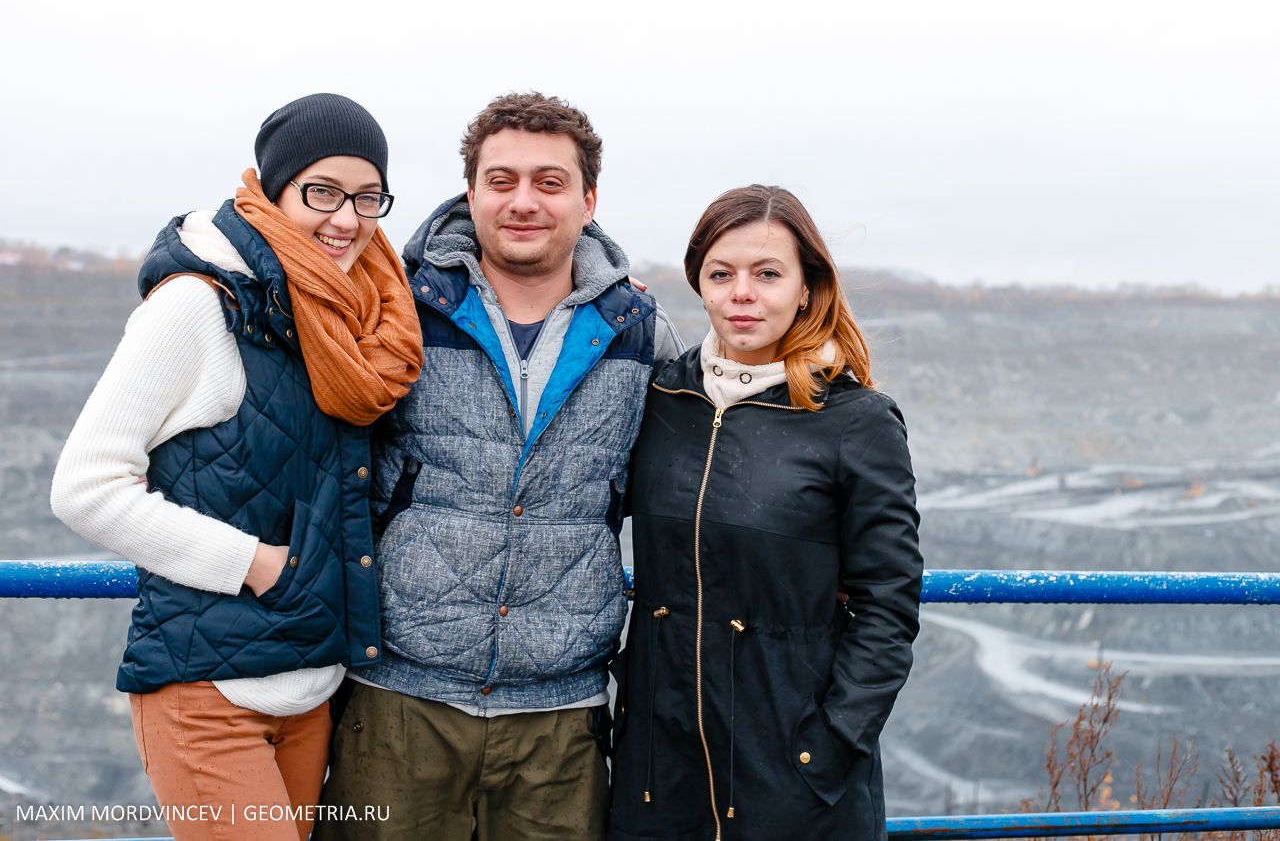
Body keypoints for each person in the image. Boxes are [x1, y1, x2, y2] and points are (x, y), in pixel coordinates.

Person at [50, 93, 423, 841]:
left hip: (311, 691)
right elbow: (84, 487)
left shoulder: (354, 315)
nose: (347, 219)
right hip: (207, 695)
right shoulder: (198, 306)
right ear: (274, 190)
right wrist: (254, 564)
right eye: (322, 192)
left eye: (368, 196)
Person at [316, 92, 684, 841]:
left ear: (588, 200)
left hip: (561, 719)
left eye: (550, 182)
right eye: (502, 180)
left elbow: (704, 478)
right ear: (471, 192)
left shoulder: (641, 333)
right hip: (397, 699)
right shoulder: (395, 310)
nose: (523, 202)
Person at [608, 185, 923, 841]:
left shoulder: (856, 421)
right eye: (721, 274)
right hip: (660, 772)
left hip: (793, 777)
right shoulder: (660, 398)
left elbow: (888, 605)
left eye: (768, 274)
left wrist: (829, 746)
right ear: (699, 283)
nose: (742, 294)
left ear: (807, 288)